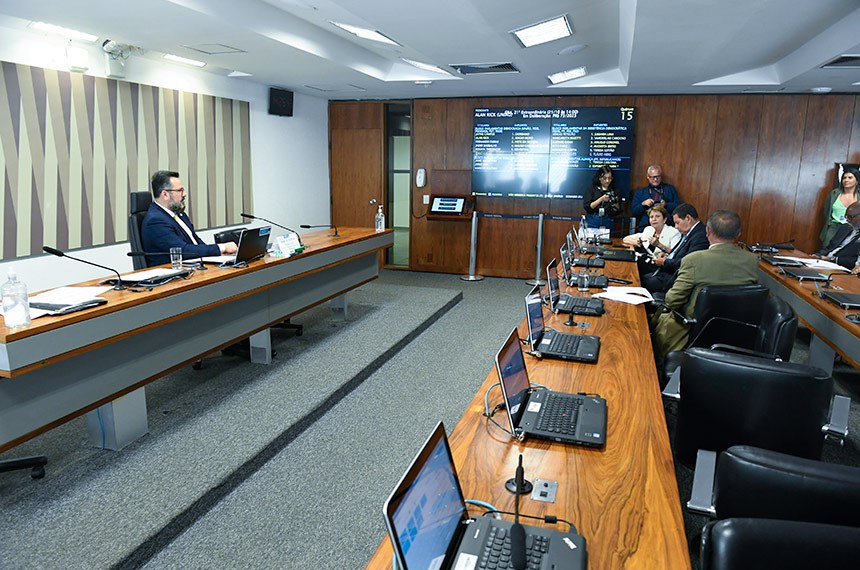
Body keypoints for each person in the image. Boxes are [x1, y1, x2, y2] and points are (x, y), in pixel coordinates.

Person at [651, 209, 759, 356]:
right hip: (735, 334)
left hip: (690, 331)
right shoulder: (752, 261)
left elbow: (672, 300)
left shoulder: (694, 260)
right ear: (738, 234)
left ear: (707, 231)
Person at [141, 170, 237, 267]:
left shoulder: (179, 214)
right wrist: (222, 247)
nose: (184, 194)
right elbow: (183, 251)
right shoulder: (155, 221)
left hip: (194, 267)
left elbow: (196, 242)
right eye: (180, 191)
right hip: (175, 276)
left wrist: (217, 254)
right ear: (165, 194)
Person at [640, 203, 709, 294]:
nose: (676, 226)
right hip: (666, 272)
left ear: (688, 218)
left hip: (673, 279)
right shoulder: (689, 232)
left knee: (640, 282)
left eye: (677, 223)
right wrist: (667, 255)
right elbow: (677, 253)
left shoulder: (700, 235)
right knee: (639, 276)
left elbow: (689, 263)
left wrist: (665, 262)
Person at [631, 165, 680, 231]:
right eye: (653, 177)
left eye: (658, 176)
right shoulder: (640, 193)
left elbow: (678, 208)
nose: (656, 179)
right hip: (646, 227)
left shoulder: (670, 189)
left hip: (667, 226)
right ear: (648, 177)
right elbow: (634, 212)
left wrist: (666, 205)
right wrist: (643, 204)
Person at [820, 167, 860, 247]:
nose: (846, 180)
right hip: (833, 229)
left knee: (842, 254)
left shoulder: (859, 198)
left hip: (850, 230)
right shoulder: (834, 194)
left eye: (850, 177)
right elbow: (826, 211)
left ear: (856, 181)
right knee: (827, 252)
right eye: (844, 178)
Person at [816, 201, 860, 274]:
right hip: (823, 263)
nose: (848, 220)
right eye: (846, 216)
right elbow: (829, 247)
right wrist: (818, 255)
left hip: (841, 268)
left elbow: (855, 261)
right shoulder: (845, 228)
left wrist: (833, 259)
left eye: (850, 217)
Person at [583, 165, 623, 231]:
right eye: (604, 178)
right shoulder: (592, 189)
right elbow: (588, 207)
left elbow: (618, 210)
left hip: (608, 219)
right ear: (599, 178)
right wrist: (601, 199)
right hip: (593, 219)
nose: (607, 181)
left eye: (610, 178)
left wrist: (615, 203)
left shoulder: (615, 190)